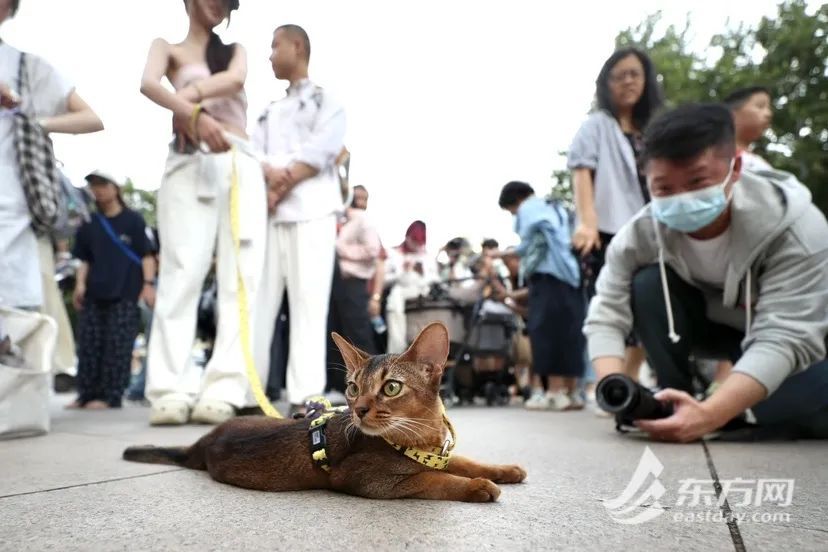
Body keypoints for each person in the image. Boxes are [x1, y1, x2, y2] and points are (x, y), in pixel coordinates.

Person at [585, 103, 828, 442]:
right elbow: (606, 315)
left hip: (779, 334)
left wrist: (713, 414)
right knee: (647, 284)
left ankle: (709, 411)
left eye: (698, 181)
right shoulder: (639, 234)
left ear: (736, 167)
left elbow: (787, 336)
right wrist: (615, 387)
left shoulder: (798, 229)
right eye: (664, 188)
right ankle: (673, 399)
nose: (682, 199)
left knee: (804, 414)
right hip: (712, 328)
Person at [140, 0, 267, 425]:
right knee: (180, 272)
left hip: (238, 160)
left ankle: (225, 386)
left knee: (240, 277)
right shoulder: (167, 47)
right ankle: (168, 388)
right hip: (188, 162)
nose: (220, 5)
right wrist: (193, 115)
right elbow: (148, 83)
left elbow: (235, 80)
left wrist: (187, 99)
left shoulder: (233, 52)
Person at [252, 24, 346, 415]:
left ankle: (305, 391)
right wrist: (270, 183)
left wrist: (282, 181)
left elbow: (324, 147)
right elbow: (252, 153)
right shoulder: (267, 110)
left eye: (275, 45)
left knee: (309, 301)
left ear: (297, 46)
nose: (270, 54)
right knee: (260, 302)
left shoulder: (327, 100)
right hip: (269, 215)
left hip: (312, 210)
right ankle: (248, 389)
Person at [567, 47, 663, 381]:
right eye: (618, 75)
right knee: (610, 304)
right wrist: (587, 222)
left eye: (635, 74)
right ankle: (611, 380)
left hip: (654, 230)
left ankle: (631, 378)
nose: (627, 81)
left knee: (651, 303)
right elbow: (581, 169)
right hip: (610, 229)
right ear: (606, 83)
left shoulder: (656, 128)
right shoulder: (597, 124)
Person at [1, 0, 103, 313]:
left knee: (14, 320)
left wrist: (30, 119)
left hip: (10, 208)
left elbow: (91, 118)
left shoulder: (24, 65)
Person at [69, 170, 155, 409]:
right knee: (88, 345)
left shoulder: (134, 220)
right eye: (94, 185)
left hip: (125, 292)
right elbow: (83, 259)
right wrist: (80, 284)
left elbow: (147, 255)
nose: (98, 189)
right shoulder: (89, 223)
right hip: (94, 293)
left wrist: (148, 285)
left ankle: (110, 396)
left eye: (102, 184)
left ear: (115, 187)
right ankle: (85, 394)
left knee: (117, 346)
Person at [498, 182, 585, 411]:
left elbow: (529, 244)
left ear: (515, 200)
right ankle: (572, 391)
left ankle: (554, 392)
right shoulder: (555, 206)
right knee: (571, 332)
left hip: (547, 276)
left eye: (511, 211)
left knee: (547, 332)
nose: (514, 216)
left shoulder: (530, 208)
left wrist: (499, 253)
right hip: (570, 275)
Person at [326, 184, 381, 398]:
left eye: (364, 198)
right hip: (337, 284)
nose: (360, 202)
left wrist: (341, 250)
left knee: (358, 335)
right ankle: (342, 387)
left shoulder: (362, 220)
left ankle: (374, 381)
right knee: (337, 335)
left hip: (354, 283)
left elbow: (373, 250)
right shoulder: (340, 220)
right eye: (357, 197)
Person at [384, 220, 438, 353]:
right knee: (395, 295)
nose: (416, 246)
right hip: (400, 291)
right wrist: (403, 272)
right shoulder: (393, 254)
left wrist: (422, 274)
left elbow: (436, 278)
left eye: (419, 243)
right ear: (407, 237)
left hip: (423, 290)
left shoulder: (428, 257)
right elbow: (384, 279)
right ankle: (396, 349)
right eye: (414, 241)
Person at [724, 86, 774, 173]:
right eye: (760, 106)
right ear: (732, 114)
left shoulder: (761, 163)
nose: (769, 114)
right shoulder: (718, 160)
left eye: (768, 108)